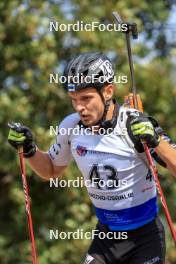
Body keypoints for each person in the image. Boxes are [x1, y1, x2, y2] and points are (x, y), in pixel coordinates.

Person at [8, 52, 176, 264]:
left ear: (107, 91)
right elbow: (50, 170)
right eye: (74, 100)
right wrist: (29, 150)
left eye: (86, 98)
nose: (80, 108)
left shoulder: (132, 124)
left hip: (144, 238)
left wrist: (155, 140)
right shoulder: (71, 126)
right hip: (106, 237)